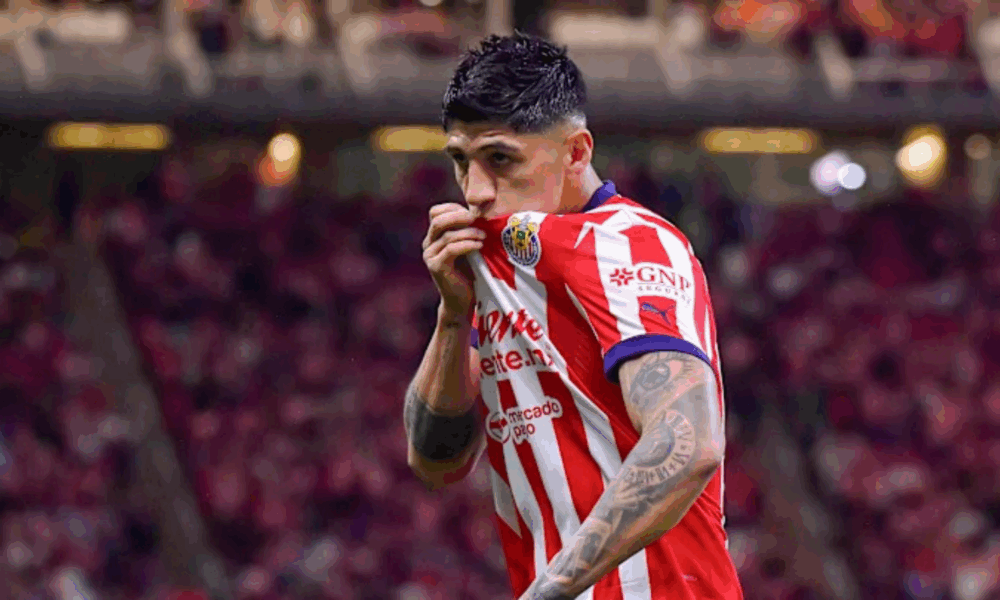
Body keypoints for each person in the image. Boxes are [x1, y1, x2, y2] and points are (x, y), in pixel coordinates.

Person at [402, 32, 743, 600]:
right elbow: (437, 463)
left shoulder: (631, 245)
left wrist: (550, 591)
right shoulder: (497, 269)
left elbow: (689, 445)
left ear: (577, 153)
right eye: (461, 162)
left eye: (501, 159)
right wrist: (453, 317)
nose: (476, 192)